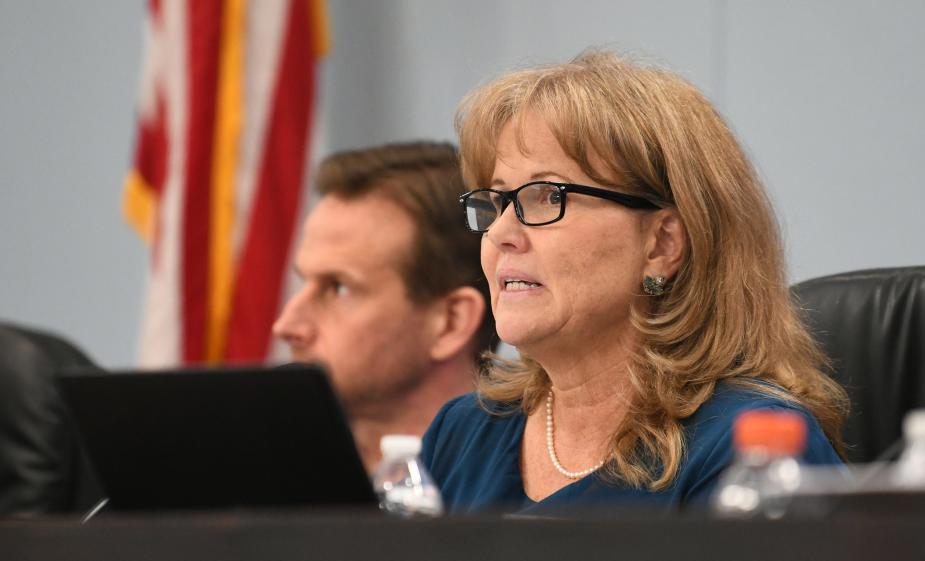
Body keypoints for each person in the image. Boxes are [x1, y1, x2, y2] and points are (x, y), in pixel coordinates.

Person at [420, 51, 850, 515]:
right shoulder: (462, 433)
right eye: (496, 201)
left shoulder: (752, 450)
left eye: (546, 196)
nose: (501, 234)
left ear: (661, 245)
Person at [273, 142, 497, 473]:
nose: (287, 326)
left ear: (451, 322)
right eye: (303, 282)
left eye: (339, 287)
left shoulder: (521, 496)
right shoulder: (261, 479)